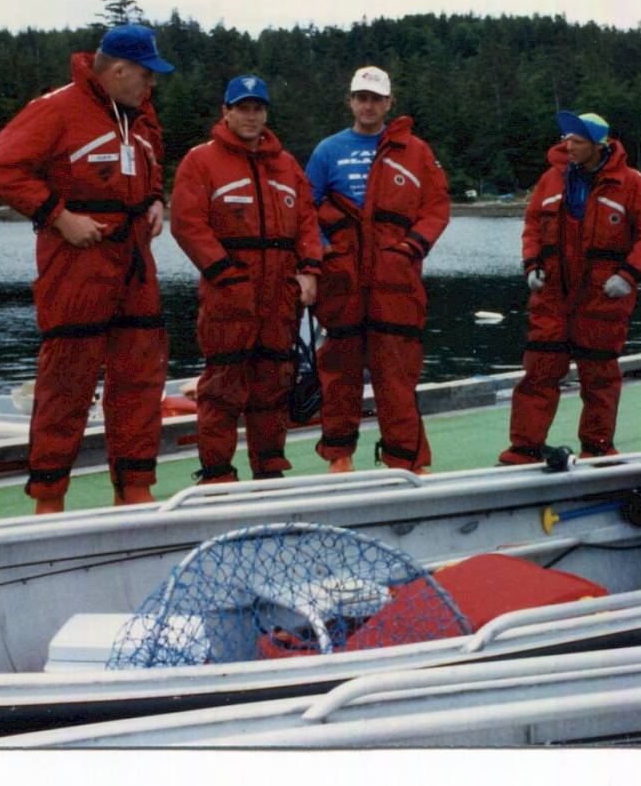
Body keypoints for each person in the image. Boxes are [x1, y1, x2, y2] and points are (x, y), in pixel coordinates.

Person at [0, 24, 173, 513]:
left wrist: (155, 200)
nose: (152, 84)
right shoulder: (56, 109)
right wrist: (60, 217)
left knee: (140, 377)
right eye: (146, 74)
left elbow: (149, 165)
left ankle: (134, 489)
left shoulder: (140, 115)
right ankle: (49, 498)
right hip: (76, 263)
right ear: (119, 70)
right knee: (67, 381)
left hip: (134, 263)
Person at [170, 75, 322, 483]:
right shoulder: (201, 161)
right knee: (222, 386)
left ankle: (269, 468)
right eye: (242, 108)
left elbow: (307, 219)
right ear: (226, 112)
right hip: (229, 294)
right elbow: (187, 224)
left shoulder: (286, 164)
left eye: (258, 108)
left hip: (280, 295)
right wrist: (224, 273)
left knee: (274, 382)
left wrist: (309, 269)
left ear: (266, 113)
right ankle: (218, 474)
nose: (251, 116)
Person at [305, 66, 450, 473]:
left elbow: (437, 207)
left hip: (394, 279)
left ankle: (407, 461)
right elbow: (304, 209)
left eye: (376, 99)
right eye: (361, 98)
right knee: (339, 372)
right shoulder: (327, 151)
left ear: (389, 103)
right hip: (342, 279)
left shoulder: (416, 151)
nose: (368, 106)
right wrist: (323, 251)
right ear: (350, 101)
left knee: (397, 373)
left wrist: (410, 248)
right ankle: (339, 456)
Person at [502, 112, 641, 465]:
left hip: (601, 297)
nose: (568, 146)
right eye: (566, 140)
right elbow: (532, 224)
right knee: (539, 371)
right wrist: (531, 265)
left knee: (600, 378)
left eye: (577, 141)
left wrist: (628, 276)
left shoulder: (632, 183)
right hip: (552, 296)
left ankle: (598, 448)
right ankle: (524, 449)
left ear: (598, 144)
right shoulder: (551, 179)